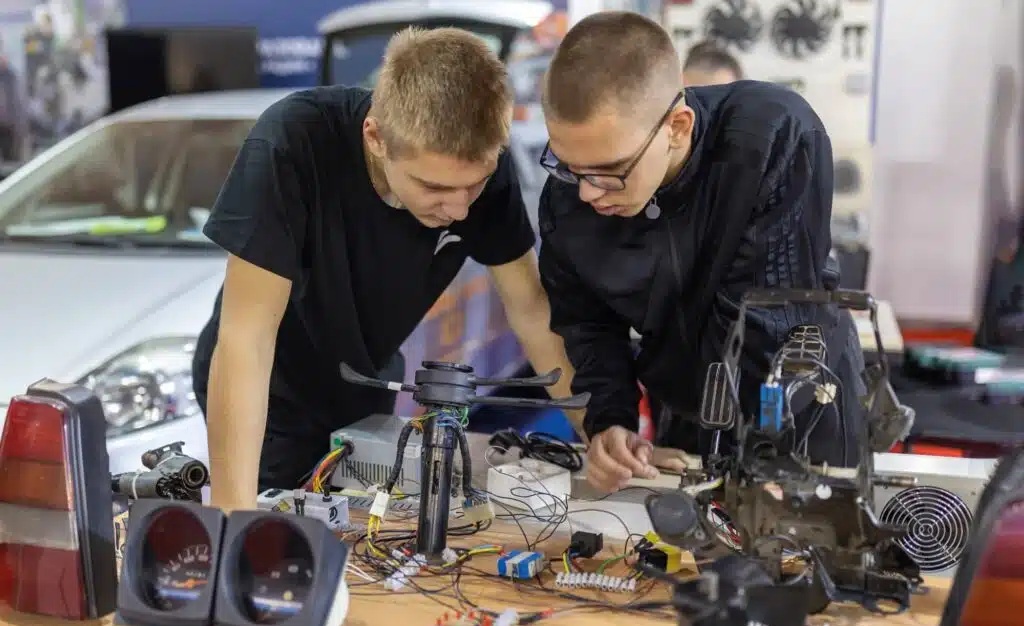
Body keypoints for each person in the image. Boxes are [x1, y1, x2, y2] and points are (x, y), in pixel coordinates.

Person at [194, 27, 580, 511]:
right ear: (375, 138)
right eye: (434, 188)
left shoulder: (477, 163)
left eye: (475, 184)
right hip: (273, 388)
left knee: (368, 527)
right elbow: (247, 340)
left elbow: (531, 310)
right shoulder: (294, 142)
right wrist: (233, 516)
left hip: (364, 380)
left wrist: (596, 429)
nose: (460, 209)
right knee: (280, 532)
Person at [536, 12, 866, 493]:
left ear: (677, 125)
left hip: (800, 402)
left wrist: (753, 461)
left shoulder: (772, 139)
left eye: (610, 170)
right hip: (686, 405)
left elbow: (769, 322)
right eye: (567, 165)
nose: (587, 192)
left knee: (809, 534)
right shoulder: (568, 196)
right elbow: (587, 324)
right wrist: (610, 421)